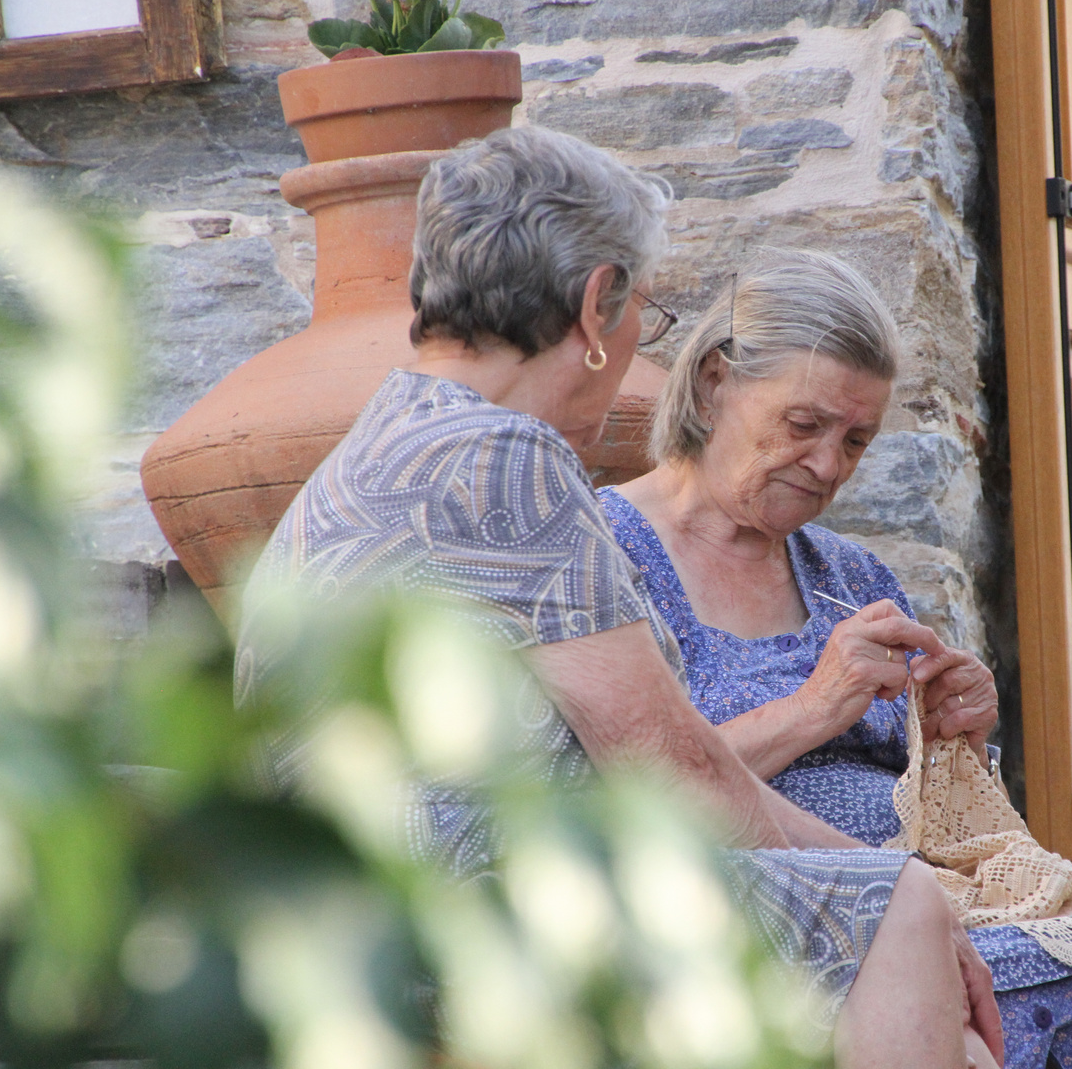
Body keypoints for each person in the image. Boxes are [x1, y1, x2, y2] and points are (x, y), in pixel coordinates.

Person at [232, 129, 1002, 1069]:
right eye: (647, 308)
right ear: (598, 306)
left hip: (375, 921)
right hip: (462, 932)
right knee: (903, 915)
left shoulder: (386, 443)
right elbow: (670, 772)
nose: (644, 340)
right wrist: (898, 890)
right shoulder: (504, 459)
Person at [601, 250, 1072, 1069]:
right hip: (755, 904)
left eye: (855, 440)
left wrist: (954, 734)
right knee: (997, 1005)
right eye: (803, 425)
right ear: (716, 381)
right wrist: (815, 709)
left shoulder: (848, 576)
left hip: (921, 900)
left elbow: (934, 807)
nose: (828, 465)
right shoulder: (606, 556)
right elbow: (613, 796)